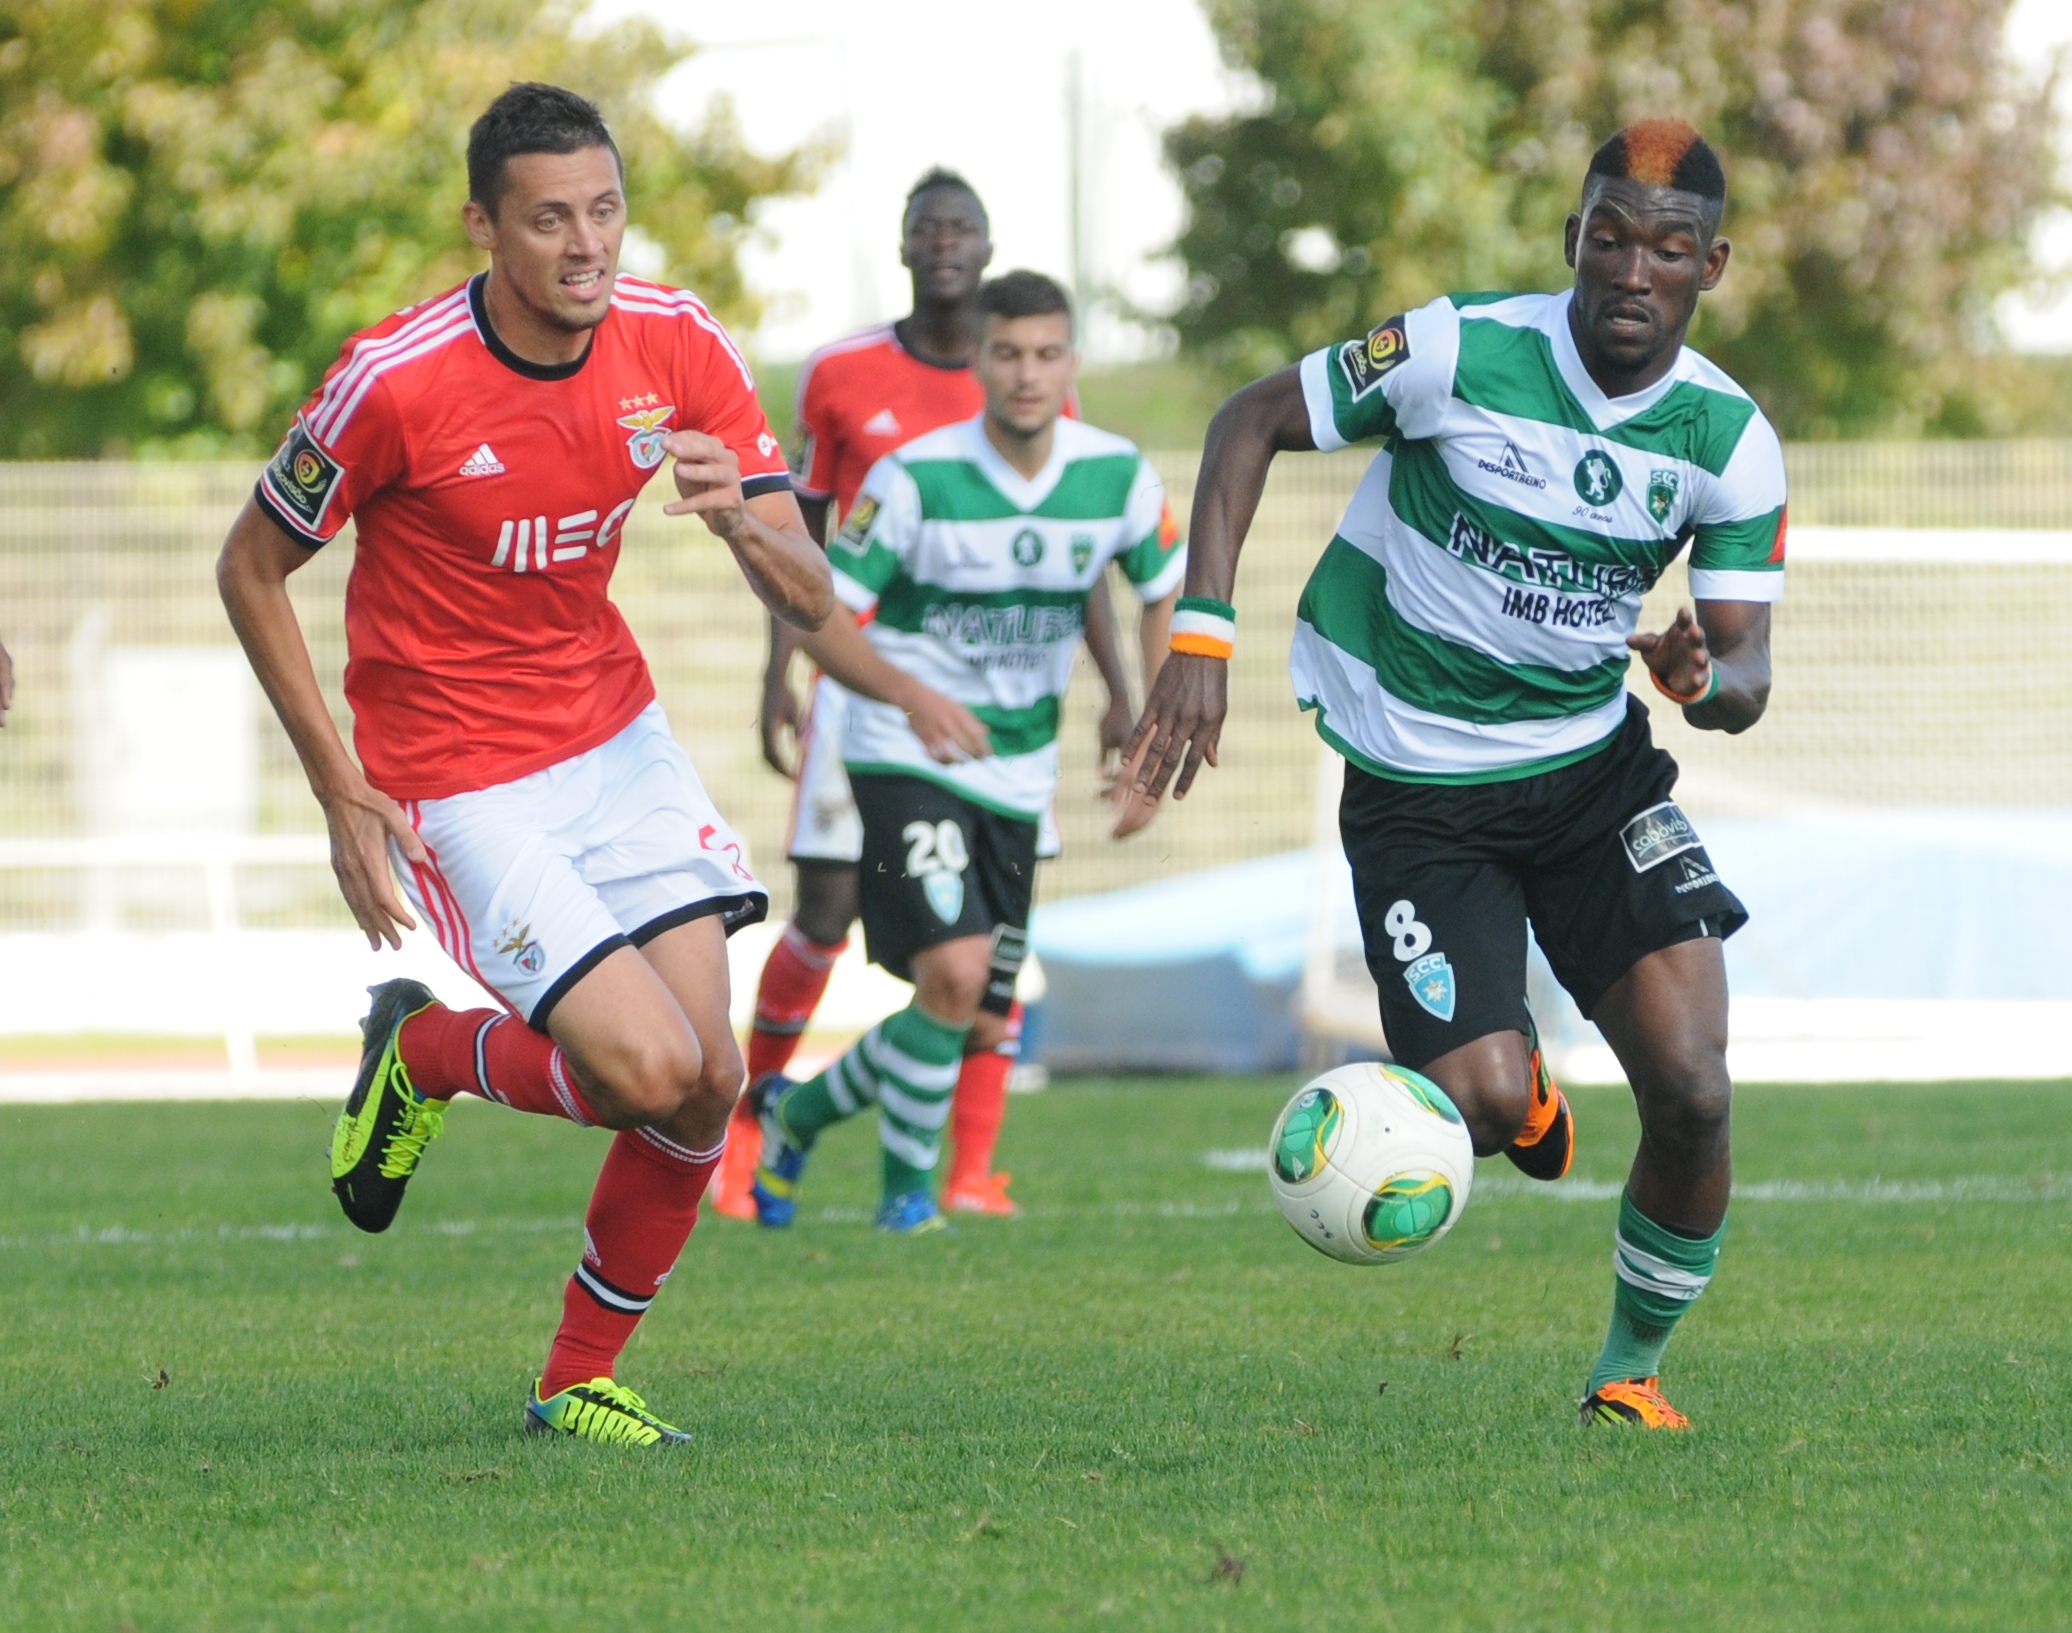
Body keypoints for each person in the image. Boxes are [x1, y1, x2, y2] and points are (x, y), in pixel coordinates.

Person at [1125, 120, 1785, 1431]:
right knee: (1479, 1107)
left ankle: (1627, 1373)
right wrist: (1200, 633)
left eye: (1665, 249)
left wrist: (1705, 678)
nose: (1630, 271)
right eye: (1606, 238)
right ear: (1571, 243)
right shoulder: (1455, 347)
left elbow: (1747, 679)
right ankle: (1518, 1082)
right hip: (1417, 791)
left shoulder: (1728, 440)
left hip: (1591, 781)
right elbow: (1248, 418)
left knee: (1694, 1087)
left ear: (1709, 266)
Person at [214, 83, 830, 1447]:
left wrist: (747, 526)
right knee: (633, 1071)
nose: (585, 244)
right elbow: (251, 566)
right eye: (549, 219)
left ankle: (575, 1380)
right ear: (483, 225)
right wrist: (336, 784)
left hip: (613, 739)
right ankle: (426, 1052)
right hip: (456, 773)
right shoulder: (395, 378)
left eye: (604, 211)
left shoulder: (675, 339)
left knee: (708, 1081)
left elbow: (811, 589)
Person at [728, 169, 1142, 1222]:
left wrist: (1123, 690)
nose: (1025, 372)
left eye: (965, 228)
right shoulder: (852, 390)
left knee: (977, 983)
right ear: (907, 246)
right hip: (881, 709)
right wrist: (784, 671)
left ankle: (881, 1143)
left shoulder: (1075, 436)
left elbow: (1082, 557)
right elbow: (804, 544)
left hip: (1012, 742)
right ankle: (784, 1151)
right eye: (930, 229)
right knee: (836, 918)